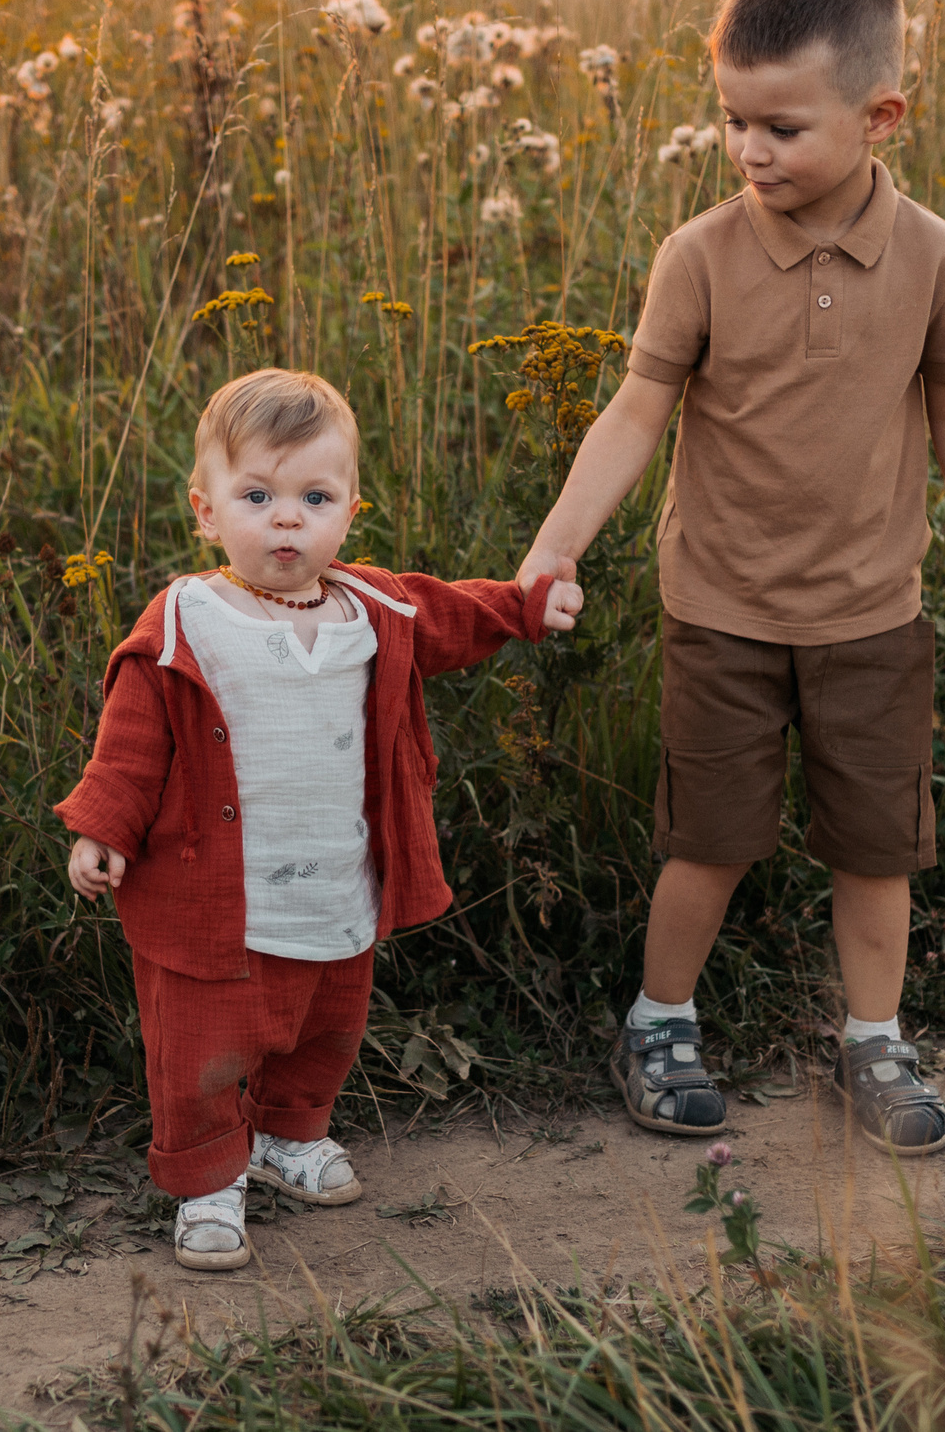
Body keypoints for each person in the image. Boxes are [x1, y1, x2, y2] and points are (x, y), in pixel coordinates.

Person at [515, 0, 945, 1156]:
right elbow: (638, 410)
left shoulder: (935, 260)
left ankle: (872, 1039)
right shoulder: (699, 255)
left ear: (880, 117)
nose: (750, 152)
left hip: (872, 615)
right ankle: (659, 1022)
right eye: (731, 122)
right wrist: (557, 545)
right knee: (709, 835)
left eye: (782, 127)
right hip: (721, 610)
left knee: (873, 847)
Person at [57, 368, 582, 1269]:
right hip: (216, 900)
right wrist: (104, 826)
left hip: (337, 882)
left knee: (325, 1026)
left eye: (314, 496)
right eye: (256, 495)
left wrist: (527, 606)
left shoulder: (370, 607)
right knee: (203, 1045)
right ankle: (209, 1176)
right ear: (207, 511)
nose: (286, 518)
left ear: (348, 512)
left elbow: (456, 615)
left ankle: (285, 1136)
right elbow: (133, 742)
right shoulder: (187, 619)